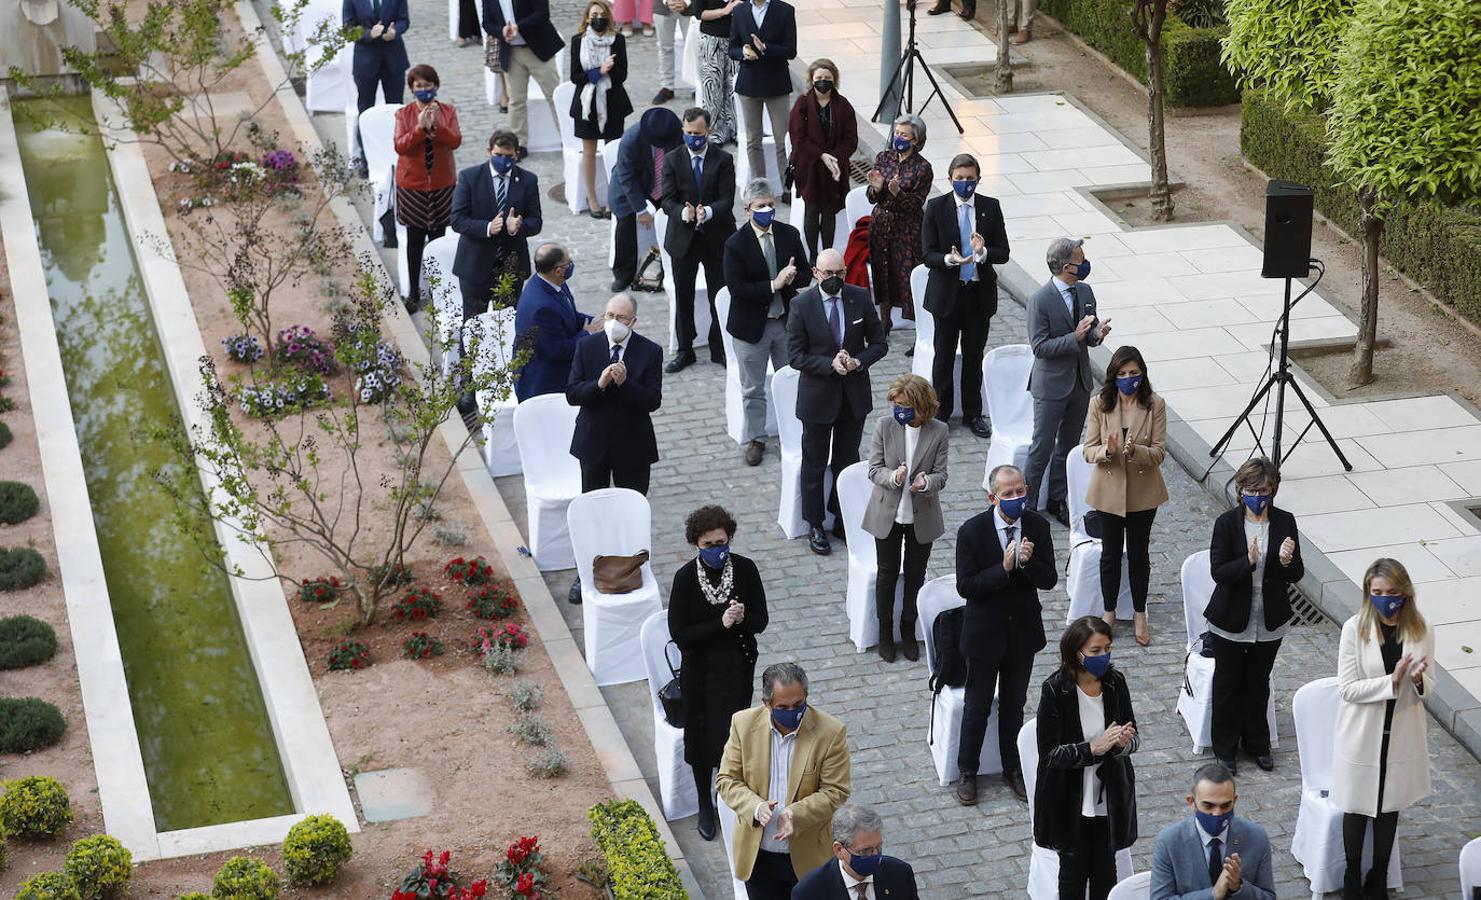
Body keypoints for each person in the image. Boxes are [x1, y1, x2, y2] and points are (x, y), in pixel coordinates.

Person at [954, 463, 1055, 806]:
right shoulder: (972, 531)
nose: (1016, 498)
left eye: (1020, 491)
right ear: (992, 496)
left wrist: (1027, 564)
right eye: (1008, 493)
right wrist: (1005, 568)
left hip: (1022, 633)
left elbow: (1050, 579)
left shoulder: (1038, 527)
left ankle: (1013, 766)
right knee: (977, 706)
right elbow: (966, 586)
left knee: (1014, 704)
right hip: (984, 634)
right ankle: (967, 769)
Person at [1332, 558, 1433, 900]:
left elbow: (1430, 687)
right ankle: (1350, 873)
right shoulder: (1354, 629)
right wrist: (1390, 682)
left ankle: (1379, 875)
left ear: (1404, 593)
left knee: (1389, 806)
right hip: (1362, 732)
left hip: (1401, 730)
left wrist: (1418, 681)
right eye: (1377, 592)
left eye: (1391, 592)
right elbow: (1347, 688)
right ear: (1368, 593)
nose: (1385, 598)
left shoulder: (1421, 629)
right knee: (1357, 806)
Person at [668, 505, 769, 842]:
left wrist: (742, 618)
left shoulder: (744, 569)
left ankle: (731, 794)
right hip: (700, 672)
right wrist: (719, 624)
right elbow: (681, 634)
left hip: (737, 669)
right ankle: (704, 802)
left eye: (721, 542)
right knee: (701, 739)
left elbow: (761, 621)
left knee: (733, 736)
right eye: (708, 544)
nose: (716, 549)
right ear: (696, 544)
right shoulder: (685, 579)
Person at [716, 662, 852, 900]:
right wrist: (756, 807)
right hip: (758, 856)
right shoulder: (743, 724)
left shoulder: (830, 732)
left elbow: (836, 791)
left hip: (807, 855)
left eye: (798, 705)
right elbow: (727, 779)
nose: (793, 712)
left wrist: (794, 814)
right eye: (783, 707)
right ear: (766, 703)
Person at [787, 248, 888, 556]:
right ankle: (815, 522)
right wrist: (829, 364)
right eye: (828, 274)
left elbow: (880, 343)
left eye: (840, 273)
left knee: (847, 459)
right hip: (818, 397)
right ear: (816, 273)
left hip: (852, 396)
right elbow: (796, 356)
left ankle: (842, 514)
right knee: (815, 463)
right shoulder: (801, 305)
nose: (834, 279)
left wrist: (857, 361)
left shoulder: (858, 296)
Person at [1206, 456, 1303, 775]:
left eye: (1264, 490)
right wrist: (1246, 561)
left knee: (1258, 684)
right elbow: (1219, 572)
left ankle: (1257, 743)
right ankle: (1225, 749)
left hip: (1269, 618)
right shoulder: (1227, 524)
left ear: (1273, 490)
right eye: (1251, 489)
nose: (1258, 496)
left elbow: (1295, 572)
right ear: (1240, 490)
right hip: (1231, 619)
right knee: (1227, 685)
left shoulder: (1285, 521)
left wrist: (1287, 561)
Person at [1035, 616, 1139, 900]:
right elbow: (1049, 755)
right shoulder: (1056, 689)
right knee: (1072, 875)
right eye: (1095, 651)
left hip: (1109, 796)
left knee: (1107, 873)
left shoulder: (1116, 683)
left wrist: (1122, 743)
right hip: (1070, 799)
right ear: (1076, 653)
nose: (1103, 656)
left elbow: (1133, 737)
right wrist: (1092, 749)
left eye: (1107, 648)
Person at [724, 178, 813, 466]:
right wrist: (773, 284)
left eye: (771, 205)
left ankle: (796, 430)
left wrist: (790, 279)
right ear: (748, 209)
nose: (767, 210)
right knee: (753, 388)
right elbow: (737, 289)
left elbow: (804, 274)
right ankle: (756, 438)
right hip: (752, 328)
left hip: (785, 322)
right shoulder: (735, 244)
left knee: (791, 380)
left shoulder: (789, 234)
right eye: (760, 206)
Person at [920, 152, 1009, 438]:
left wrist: (982, 253)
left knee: (974, 356)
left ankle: (973, 412)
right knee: (943, 356)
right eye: (959, 179)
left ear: (978, 180)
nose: (965, 184)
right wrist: (950, 259)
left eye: (970, 179)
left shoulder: (990, 208)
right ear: (950, 179)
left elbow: (1003, 252)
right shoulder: (936, 208)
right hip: (947, 293)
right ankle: (941, 412)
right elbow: (927, 254)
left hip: (978, 295)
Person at [1083, 345, 1168, 646]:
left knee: (1138, 554)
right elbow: (1088, 449)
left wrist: (1136, 452)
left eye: (1133, 373)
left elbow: (1159, 452)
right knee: (1110, 555)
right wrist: (1108, 450)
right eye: (1122, 374)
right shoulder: (1100, 403)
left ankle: (1139, 612)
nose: (1128, 379)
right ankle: (1108, 611)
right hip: (1109, 492)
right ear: (1113, 376)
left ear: (1142, 374)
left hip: (1143, 493)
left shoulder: (1155, 404)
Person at [1025, 236, 1112, 528]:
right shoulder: (1040, 300)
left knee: (1068, 445)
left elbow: (1089, 335)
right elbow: (1040, 347)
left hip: (1079, 382)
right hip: (1050, 386)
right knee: (1042, 446)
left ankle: (1057, 497)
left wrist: (1097, 334)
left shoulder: (1085, 290)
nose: (1085, 265)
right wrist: (1073, 338)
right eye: (1080, 261)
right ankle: (1027, 504)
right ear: (1066, 267)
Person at [862, 374, 947, 663]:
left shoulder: (939, 431)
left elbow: (941, 475)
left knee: (915, 574)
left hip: (921, 516)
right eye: (896, 404)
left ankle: (907, 630)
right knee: (886, 574)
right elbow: (873, 469)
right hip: (888, 513)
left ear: (921, 406)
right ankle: (885, 633)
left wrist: (926, 483)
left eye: (905, 404)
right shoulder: (884, 426)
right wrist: (893, 477)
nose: (899, 409)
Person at [660, 107, 737, 372]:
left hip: (716, 237)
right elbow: (667, 200)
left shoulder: (723, 159)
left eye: (699, 133)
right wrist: (683, 212)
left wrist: (710, 211)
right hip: (683, 240)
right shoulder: (672, 160)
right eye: (689, 133)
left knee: (720, 294)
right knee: (684, 296)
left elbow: (728, 199)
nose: (694, 138)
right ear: (683, 131)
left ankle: (719, 347)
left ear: (709, 131)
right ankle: (685, 349)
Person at [566, 293, 662, 494]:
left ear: (633, 321)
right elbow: (573, 394)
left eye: (621, 318)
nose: (614, 322)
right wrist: (599, 384)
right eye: (610, 316)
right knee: (593, 504)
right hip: (594, 441)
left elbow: (652, 401)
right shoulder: (586, 347)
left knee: (632, 504)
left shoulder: (650, 351)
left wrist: (625, 383)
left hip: (632, 443)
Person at [450, 129, 543, 325]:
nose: (503, 160)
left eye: (508, 156)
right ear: (489, 152)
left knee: (507, 324)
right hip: (475, 266)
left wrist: (518, 226)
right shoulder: (470, 177)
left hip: (511, 266)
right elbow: (457, 220)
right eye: (498, 155)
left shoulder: (528, 180)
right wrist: (487, 227)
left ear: (516, 154)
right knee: (473, 325)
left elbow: (536, 221)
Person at [1150, 765, 1276, 900]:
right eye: (1208, 806)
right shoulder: (1169, 842)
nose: (1217, 814)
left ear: (1234, 801)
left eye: (1225, 806)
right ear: (1191, 802)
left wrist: (1238, 887)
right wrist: (1213, 894)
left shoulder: (1256, 837)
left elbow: (1268, 897)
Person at [393, 65, 462, 312]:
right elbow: (401, 146)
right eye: (418, 86)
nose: (423, 90)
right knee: (414, 241)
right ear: (412, 88)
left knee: (437, 241)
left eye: (427, 85)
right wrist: (420, 129)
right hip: (413, 187)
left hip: (442, 186)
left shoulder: (448, 111)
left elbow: (454, 140)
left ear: (436, 86)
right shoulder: (404, 114)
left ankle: (437, 292)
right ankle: (413, 292)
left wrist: (437, 127)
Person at [866, 115, 932, 333]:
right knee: (882, 273)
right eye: (896, 133)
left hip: (906, 231)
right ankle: (884, 322)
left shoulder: (922, 168)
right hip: (881, 226)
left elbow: (915, 204)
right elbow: (872, 197)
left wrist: (897, 193)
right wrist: (876, 188)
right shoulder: (884, 158)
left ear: (915, 140)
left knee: (908, 278)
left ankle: (920, 329)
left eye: (904, 134)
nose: (898, 138)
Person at [788, 59, 858, 262]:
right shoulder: (802, 104)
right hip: (809, 168)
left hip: (835, 168)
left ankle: (826, 252)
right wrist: (822, 156)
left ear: (834, 80)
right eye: (819, 78)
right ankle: (812, 254)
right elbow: (798, 138)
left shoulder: (843, 105)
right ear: (811, 79)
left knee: (829, 211)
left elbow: (850, 139)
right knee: (811, 211)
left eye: (827, 78)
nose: (823, 82)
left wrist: (834, 158)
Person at [568, 1, 632, 218]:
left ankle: (614, 198)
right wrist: (599, 71)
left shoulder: (618, 40)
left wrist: (609, 71)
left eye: (602, 14)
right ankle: (592, 199)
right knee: (588, 150)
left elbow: (622, 74)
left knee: (613, 150)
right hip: (587, 104)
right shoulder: (578, 41)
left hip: (613, 103)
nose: (598, 18)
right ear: (587, 17)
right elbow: (576, 76)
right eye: (594, 14)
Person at [513, 243, 601, 402]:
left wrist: (594, 321)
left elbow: (568, 315)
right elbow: (558, 350)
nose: (571, 265)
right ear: (558, 270)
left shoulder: (552, 282)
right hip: (545, 383)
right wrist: (589, 332)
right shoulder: (542, 307)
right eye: (569, 263)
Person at [610, 108, 684, 292]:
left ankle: (674, 265)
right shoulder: (631, 139)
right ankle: (623, 274)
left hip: (664, 184)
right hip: (631, 187)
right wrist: (641, 210)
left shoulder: (676, 134)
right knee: (625, 224)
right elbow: (626, 176)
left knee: (680, 216)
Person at [728, 0, 796, 194]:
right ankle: (760, 187)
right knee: (752, 140)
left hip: (777, 84)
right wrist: (743, 52)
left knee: (783, 140)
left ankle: (787, 186)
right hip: (749, 84)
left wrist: (765, 47)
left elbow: (791, 50)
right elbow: (732, 47)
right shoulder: (740, 11)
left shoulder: (784, 10)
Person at [481, 0, 564, 158]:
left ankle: (568, 136)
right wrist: (501, 31)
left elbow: (542, 13)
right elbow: (487, 22)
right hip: (511, 51)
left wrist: (519, 27)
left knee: (554, 95)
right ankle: (518, 144)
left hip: (538, 48)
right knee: (516, 100)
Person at [791, 804, 921, 900]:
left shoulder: (900, 874)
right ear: (839, 850)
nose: (875, 855)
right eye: (865, 851)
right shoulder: (808, 892)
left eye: (878, 847)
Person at [343, 0, 409, 174]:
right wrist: (368, 34)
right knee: (365, 110)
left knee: (396, 109)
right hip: (366, 60)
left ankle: (398, 153)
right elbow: (348, 29)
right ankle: (365, 158)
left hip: (393, 58)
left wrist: (395, 31)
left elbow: (404, 20)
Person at [690, 0, 740, 146]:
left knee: (734, 85)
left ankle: (736, 128)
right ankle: (715, 132)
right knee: (713, 86)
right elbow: (700, 14)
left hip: (737, 38)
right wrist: (725, 11)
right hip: (711, 39)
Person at [650, 0, 690, 104]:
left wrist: (686, 1)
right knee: (665, 48)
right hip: (661, 7)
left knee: (693, 49)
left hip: (692, 7)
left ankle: (697, 86)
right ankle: (667, 86)